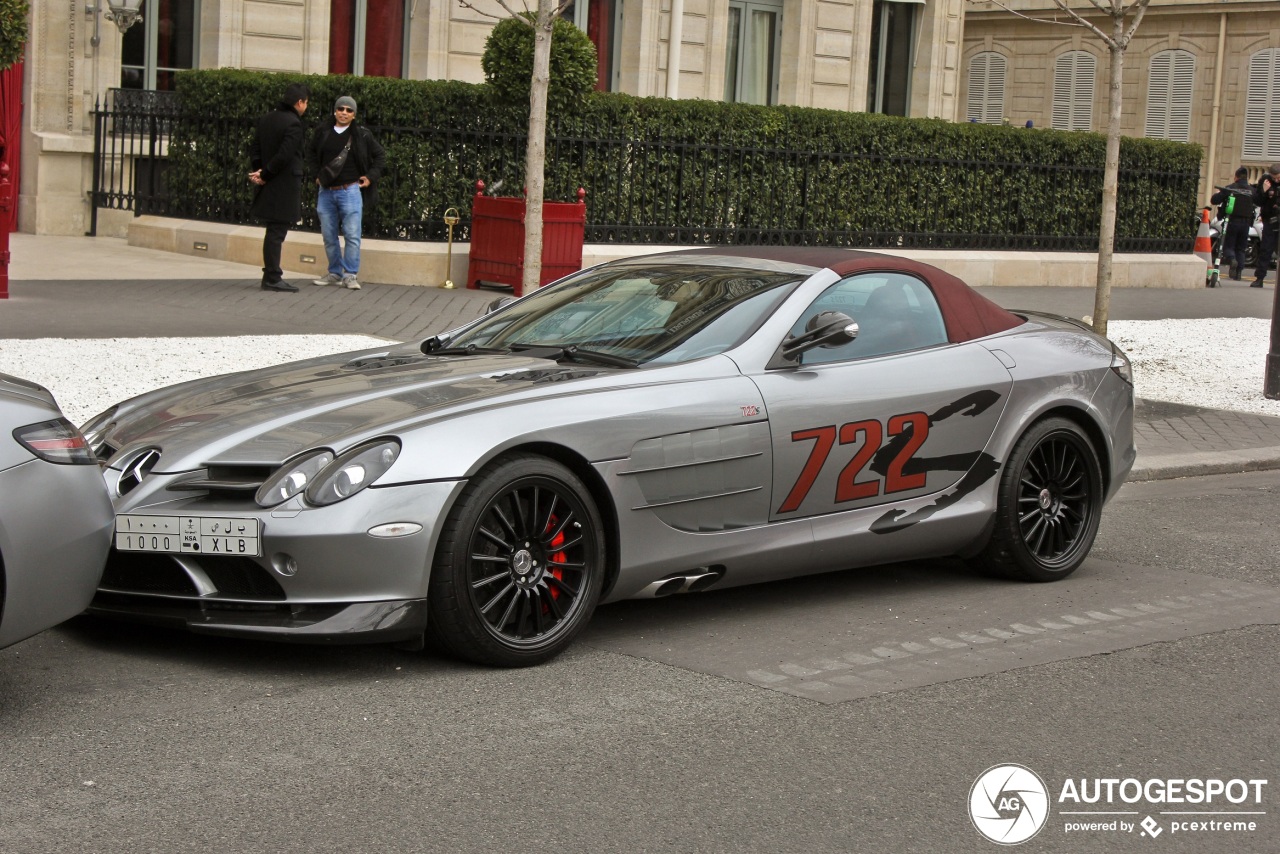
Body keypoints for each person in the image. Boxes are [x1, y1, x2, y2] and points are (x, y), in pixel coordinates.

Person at [308, 95, 386, 291]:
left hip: (350, 191)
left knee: (352, 235)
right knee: (328, 235)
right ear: (334, 111)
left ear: (354, 115)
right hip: (326, 192)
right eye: (341, 109)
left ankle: (350, 275)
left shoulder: (362, 135)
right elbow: (310, 154)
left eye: (349, 110)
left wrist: (370, 177)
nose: (344, 112)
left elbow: (380, 156)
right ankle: (335, 272)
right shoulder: (322, 132)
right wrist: (315, 174)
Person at [249, 82, 310, 293]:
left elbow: (255, 147)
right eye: (306, 103)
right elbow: (285, 154)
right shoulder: (293, 123)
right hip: (282, 183)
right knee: (277, 232)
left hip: (269, 181)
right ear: (300, 102)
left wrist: (259, 171)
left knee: (273, 231)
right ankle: (273, 276)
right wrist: (265, 174)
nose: (306, 108)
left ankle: (271, 274)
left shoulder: (267, 118)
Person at [1210, 167, 1256, 281]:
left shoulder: (1230, 188)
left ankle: (1231, 260)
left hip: (1232, 221)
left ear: (1236, 177)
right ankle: (1238, 273)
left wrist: (1218, 194)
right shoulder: (1252, 191)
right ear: (1247, 177)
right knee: (1241, 248)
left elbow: (1214, 200)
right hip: (1246, 224)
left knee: (1228, 246)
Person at [1251, 163, 1280, 288]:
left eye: (1278, 177)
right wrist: (1263, 190)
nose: (1276, 180)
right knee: (1266, 249)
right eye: (1274, 178)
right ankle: (1259, 278)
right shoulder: (1265, 181)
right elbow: (1257, 201)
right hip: (1269, 220)